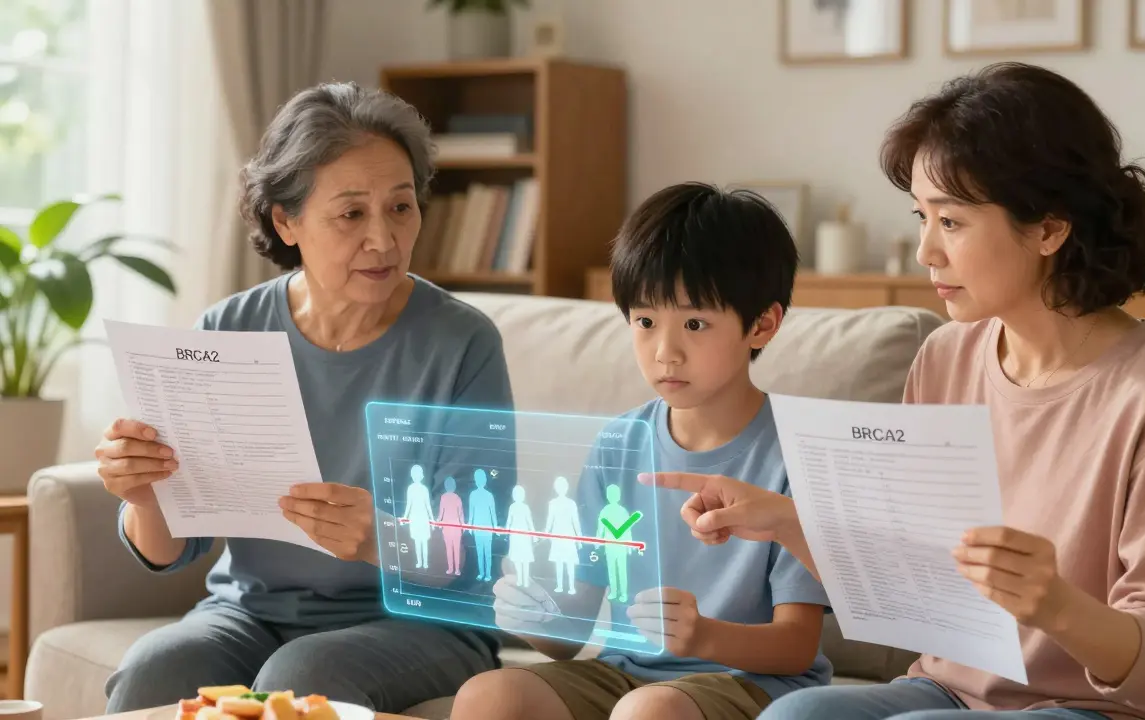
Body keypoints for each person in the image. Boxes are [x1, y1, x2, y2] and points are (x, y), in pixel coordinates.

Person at [644, 62, 1145, 720]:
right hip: (953, 693)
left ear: (1049, 227)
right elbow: (909, 586)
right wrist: (785, 522)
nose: (925, 251)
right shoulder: (946, 358)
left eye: (951, 222)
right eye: (920, 217)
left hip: (1111, 712)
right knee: (795, 716)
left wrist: (1057, 607)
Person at [93, 82, 513, 712]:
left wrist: (379, 538)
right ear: (286, 221)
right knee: (153, 671)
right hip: (249, 611)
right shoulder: (225, 332)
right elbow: (171, 551)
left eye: (401, 207)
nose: (384, 237)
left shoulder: (462, 343)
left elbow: (482, 549)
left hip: (424, 622)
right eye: (351, 214)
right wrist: (144, 495)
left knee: (302, 673)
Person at [449, 182, 833, 720]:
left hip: (750, 683)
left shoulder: (800, 453)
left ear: (763, 324)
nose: (664, 352)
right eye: (645, 322)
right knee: (488, 695)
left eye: (695, 324)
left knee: (647, 712)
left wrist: (702, 636)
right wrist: (528, 617)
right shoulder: (620, 443)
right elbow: (575, 627)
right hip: (625, 673)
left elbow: (795, 645)